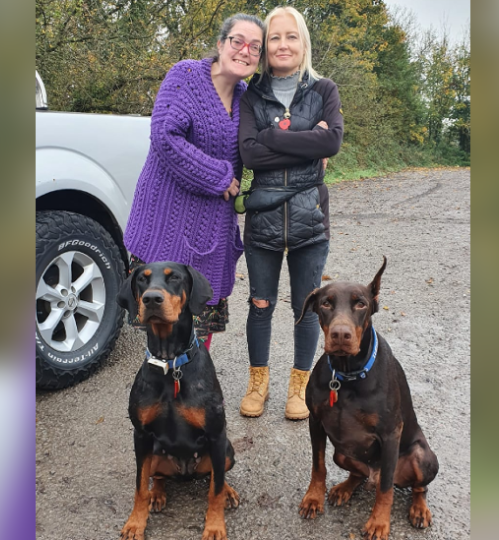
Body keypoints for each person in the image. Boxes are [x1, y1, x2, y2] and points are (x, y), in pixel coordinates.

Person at [123, 14, 266, 350]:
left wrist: (316, 139)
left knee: (201, 325)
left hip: (212, 231)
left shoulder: (249, 98)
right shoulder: (186, 75)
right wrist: (218, 176)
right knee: (161, 325)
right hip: (167, 224)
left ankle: (193, 388)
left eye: (255, 47)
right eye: (238, 41)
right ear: (220, 44)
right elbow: (164, 136)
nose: (245, 51)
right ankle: (162, 390)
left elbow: (267, 142)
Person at [237, 6, 344, 419]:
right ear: (266, 47)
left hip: (310, 220)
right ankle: (257, 383)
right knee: (260, 304)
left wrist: (273, 138)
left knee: (306, 306)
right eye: (275, 37)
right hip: (263, 222)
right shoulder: (252, 94)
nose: (283, 44)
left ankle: (298, 388)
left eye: (291, 36)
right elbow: (249, 152)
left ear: (303, 44)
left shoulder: (324, 90)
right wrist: (307, 140)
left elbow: (331, 143)